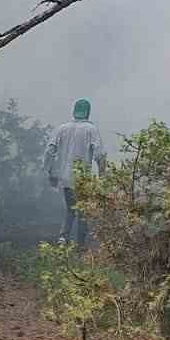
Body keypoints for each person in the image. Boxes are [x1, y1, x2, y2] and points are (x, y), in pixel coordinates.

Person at [44, 98, 107, 249]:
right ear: (88, 112)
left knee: (71, 208)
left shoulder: (62, 128)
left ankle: (62, 239)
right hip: (82, 179)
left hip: (65, 177)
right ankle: (80, 244)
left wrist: (50, 171)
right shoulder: (90, 129)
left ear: (74, 111)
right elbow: (100, 154)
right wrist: (102, 175)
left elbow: (49, 150)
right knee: (83, 211)